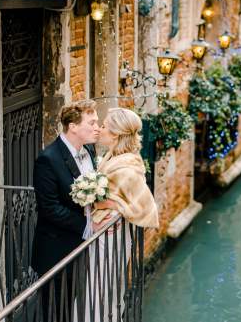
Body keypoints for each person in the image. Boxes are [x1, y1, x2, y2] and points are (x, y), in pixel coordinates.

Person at [79, 108, 160, 322]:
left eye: (104, 126)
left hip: (111, 234)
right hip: (105, 232)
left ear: (115, 134)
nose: (100, 129)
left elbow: (144, 205)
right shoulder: (111, 156)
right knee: (100, 285)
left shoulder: (127, 165)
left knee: (101, 286)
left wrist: (113, 204)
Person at [31, 99, 100, 321]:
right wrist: (88, 225)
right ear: (73, 127)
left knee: (74, 303)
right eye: (92, 123)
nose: (97, 127)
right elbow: (49, 208)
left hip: (81, 244)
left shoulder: (89, 150)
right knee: (56, 311)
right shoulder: (48, 159)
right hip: (56, 248)